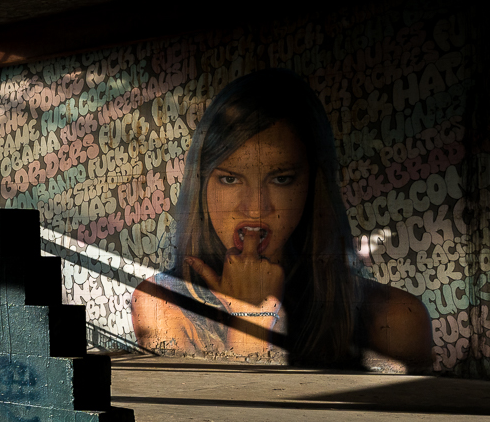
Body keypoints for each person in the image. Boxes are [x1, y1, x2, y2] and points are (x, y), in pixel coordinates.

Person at [131, 68, 433, 370]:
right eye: (230, 179)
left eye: (282, 179)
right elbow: (224, 417)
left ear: (313, 188)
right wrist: (252, 316)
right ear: (202, 184)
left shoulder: (395, 318)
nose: (255, 208)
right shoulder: (163, 304)